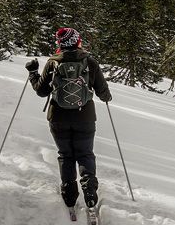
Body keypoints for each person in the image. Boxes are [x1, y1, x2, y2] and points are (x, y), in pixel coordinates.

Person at [25, 27, 112, 210]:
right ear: (77, 41)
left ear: (60, 43)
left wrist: (33, 73)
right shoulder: (89, 61)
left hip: (58, 117)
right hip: (85, 117)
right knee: (85, 153)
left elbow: (41, 91)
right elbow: (103, 92)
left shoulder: (53, 63)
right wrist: (106, 97)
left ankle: (69, 194)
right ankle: (89, 188)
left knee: (66, 155)